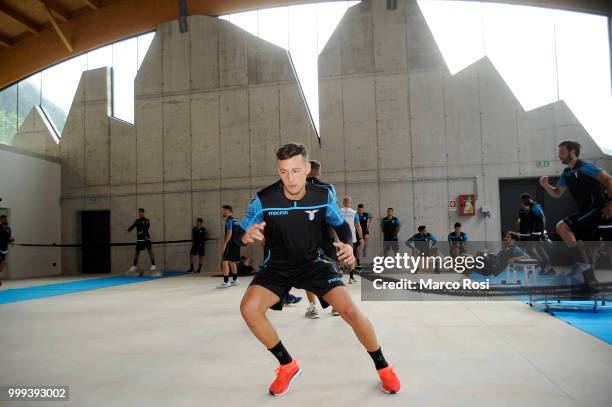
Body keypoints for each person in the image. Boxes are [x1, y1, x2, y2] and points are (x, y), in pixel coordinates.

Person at [235, 143, 400, 396]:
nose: (290, 178)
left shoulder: (322, 196)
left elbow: (340, 225)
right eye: (283, 172)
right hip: (277, 266)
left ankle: (383, 367)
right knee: (249, 309)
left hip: (313, 263)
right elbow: (241, 230)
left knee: (350, 311)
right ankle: (287, 365)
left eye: (296, 171)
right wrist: (244, 237)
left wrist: (346, 243)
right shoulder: (263, 199)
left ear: (307, 168)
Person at [539, 140, 612, 288]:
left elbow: (609, 180)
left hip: (597, 209)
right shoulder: (566, 174)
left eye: (562, 152)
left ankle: (581, 264)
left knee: (562, 226)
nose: (559, 156)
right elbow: (557, 193)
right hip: (585, 212)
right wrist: (545, 185)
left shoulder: (587, 167)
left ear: (572, 152)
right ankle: (590, 282)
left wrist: (611, 203)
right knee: (583, 247)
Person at [304, 159, 340, 318]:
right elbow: (334, 213)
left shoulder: (298, 186)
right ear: (318, 172)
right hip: (327, 234)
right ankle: (336, 306)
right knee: (332, 268)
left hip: (305, 236)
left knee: (308, 270)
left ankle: (312, 307)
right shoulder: (328, 188)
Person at [519, 194, 555, 275]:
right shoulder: (531, 208)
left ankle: (543, 265)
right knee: (540, 249)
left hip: (538, 233)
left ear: (527, 199)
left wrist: (542, 233)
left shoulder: (535, 207)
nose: (522, 203)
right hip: (535, 232)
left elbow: (542, 218)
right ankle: (549, 268)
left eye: (523, 201)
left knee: (530, 249)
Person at [340, 196, 362, 283]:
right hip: (351, 238)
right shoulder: (354, 213)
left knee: (340, 256)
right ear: (350, 203)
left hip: (340, 238)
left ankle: (339, 275)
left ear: (343, 202)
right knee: (352, 257)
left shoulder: (338, 211)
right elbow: (358, 226)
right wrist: (360, 237)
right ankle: (351, 277)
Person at [127, 208, 156, 275]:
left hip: (146, 238)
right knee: (137, 252)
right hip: (139, 239)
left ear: (143, 213)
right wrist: (129, 229)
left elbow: (147, 228)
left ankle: (153, 265)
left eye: (141, 212)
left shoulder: (147, 220)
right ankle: (134, 266)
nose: (139, 214)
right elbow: (133, 225)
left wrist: (142, 232)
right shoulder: (137, 221)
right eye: (139, 212)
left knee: (149, 250)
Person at [219, 205, 240, 288]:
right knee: (232, 261)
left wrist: (224, 243)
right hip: (236, 243)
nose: (223, 212)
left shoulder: (229, 220)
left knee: (224, 260)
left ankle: (226, 281)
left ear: (227, 211)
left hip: (230, 243)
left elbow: (229, 232)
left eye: (223, 210)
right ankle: (235, 279)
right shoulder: (234, 220)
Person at [0, 215, 14, 286]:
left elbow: (8, 238)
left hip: (4, 249)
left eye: (6, 219)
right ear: (1, 220)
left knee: (3, 263)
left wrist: (11, 240)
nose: (5, 220)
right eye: (4, 219)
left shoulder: (8, 228)